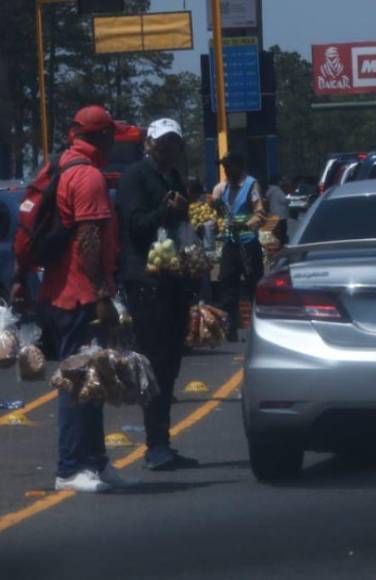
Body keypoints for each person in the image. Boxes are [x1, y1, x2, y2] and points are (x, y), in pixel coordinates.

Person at [34, 106, 135, 492]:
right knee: (79, 381)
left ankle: (95, 462)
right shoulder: (87, 175)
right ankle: (70, 468)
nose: (113, 143)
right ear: (102, 137)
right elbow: (89, 241)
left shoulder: (61, 165)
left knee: (95, 379)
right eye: (111, 136)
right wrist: (102, 295)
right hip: (79, 296)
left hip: (64, 292)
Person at [115, 118, 200, 471]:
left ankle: (162, 441)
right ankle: (155, 446)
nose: (168, 148)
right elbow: (134, 224)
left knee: (171, 364)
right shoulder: (136, 176)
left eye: (174, 142)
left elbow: (180, 222)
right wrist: (165, 209)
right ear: (149, 143)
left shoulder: (175, 177)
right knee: (155, 362)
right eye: (162, 142)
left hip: (173, 279)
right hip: (146, 281)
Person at [210, 152, 265, 342]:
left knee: (253, 285)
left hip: (248, 243)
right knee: (227, 284)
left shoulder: (251, 185)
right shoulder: (223, 188)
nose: (226, 171)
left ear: (239, 167)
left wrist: (246, 225)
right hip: (230, 243)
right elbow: (218, 212)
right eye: (224, 167)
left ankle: (258, 328)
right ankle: (231, 328)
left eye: (229, 167)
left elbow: (259, 214)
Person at [263, 175, 291, 245]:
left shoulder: (269, 190)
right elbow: (283, 200)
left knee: (274, 231)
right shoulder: (278, 190)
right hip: (281, 215)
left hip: (272, 213)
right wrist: (289, 200)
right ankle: (282, 243)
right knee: (283, 230)